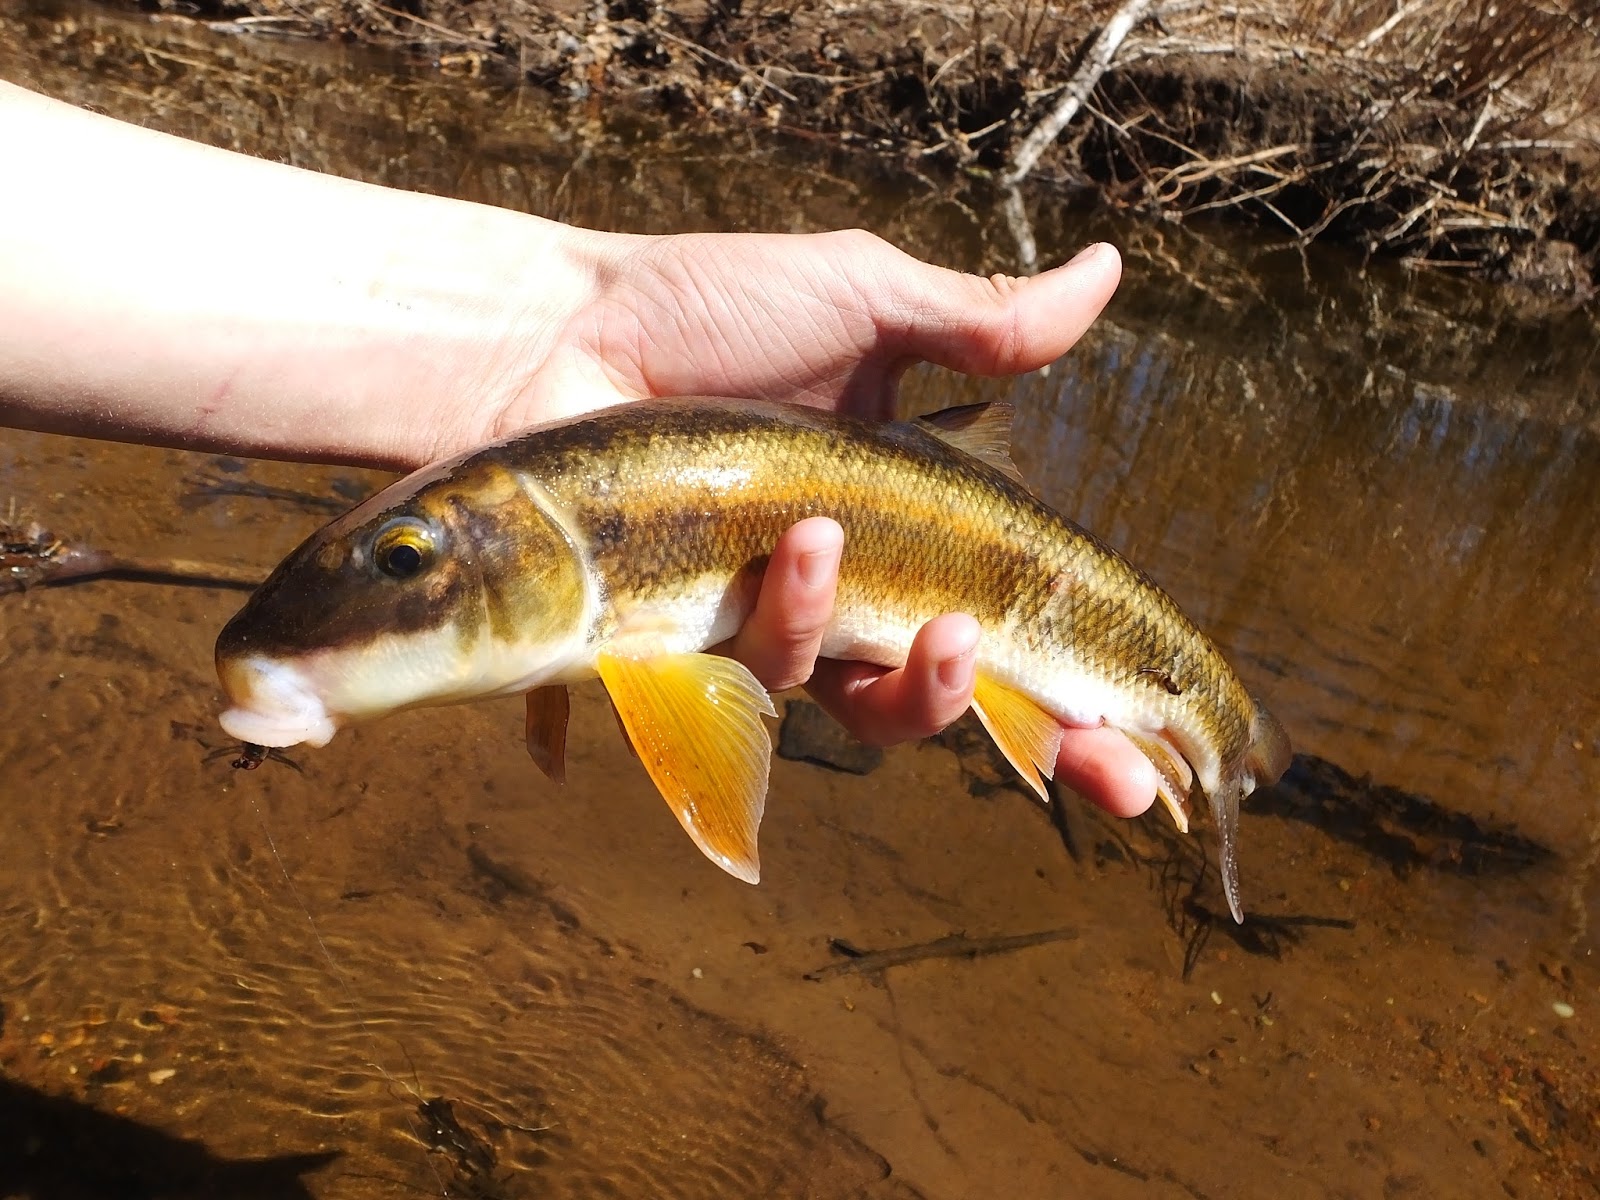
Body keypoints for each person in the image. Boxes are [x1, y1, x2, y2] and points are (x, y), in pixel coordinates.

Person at [0, 80, 1156, 820]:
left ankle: (1220, 743)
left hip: (1048, 597)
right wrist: (552, 314)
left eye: (411, 556)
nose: (403, 560)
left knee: (1109, 721)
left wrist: (571, 308)